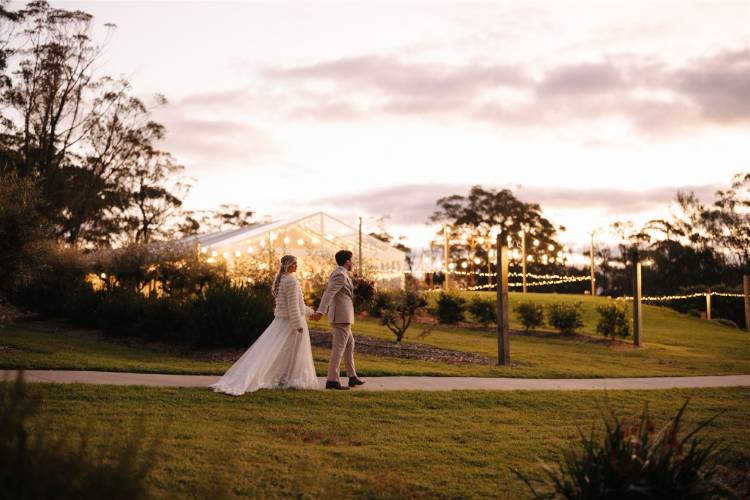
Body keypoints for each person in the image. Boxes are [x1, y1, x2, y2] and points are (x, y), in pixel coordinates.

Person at [210, 255, 319, 395]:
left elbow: (299, 305)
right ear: (288, 266)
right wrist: (298, 325)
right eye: (294, 263)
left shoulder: (284, 280)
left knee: (278, 351)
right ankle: (288, 379)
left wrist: (311, 313)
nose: (297, 266)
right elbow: (293, 306)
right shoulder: (291, 281)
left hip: (284, 321)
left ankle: (285, 378)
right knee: (287, 352)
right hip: (290, 323)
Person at [312, 250, 365, 390]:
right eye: (351, 260)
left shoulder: (343, 274)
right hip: (341, 317)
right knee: (339, 348)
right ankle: (332, 380)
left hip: (344, 315)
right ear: (347, 261)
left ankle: (352, 377)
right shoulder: (340, 275)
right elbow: (329, 293)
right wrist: (320, 311)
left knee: (349, 344)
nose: (352, 263)